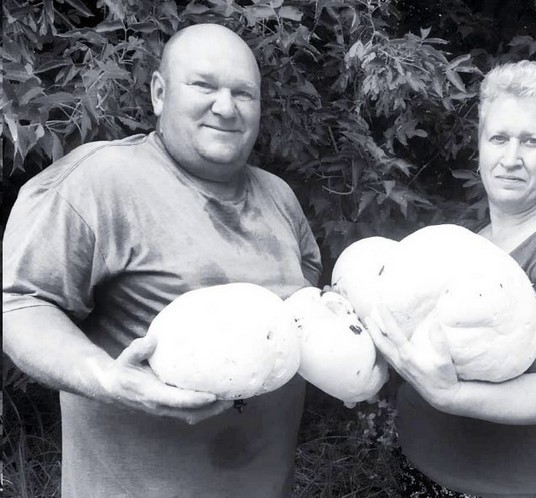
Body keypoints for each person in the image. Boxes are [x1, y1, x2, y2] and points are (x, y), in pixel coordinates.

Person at [3, 23, 321, 498]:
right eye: (204, 85)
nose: (226, 107)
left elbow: (304, 315)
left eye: (243, 93)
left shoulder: (279, 197)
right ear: (158, 92)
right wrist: (107, 378)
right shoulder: (101, 180)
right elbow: (20, 304)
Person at [367, 60, 536, 498]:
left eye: (532, 141)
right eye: (499, 138)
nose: (510, 158)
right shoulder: (474, 241)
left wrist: (451, 397)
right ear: (481, 146)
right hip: (422, 466)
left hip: (508, 488)